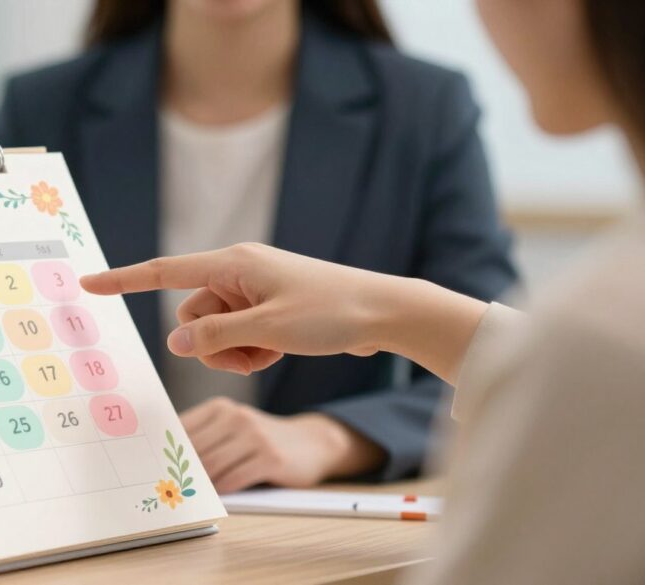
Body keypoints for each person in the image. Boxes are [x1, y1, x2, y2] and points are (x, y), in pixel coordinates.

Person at [82, 0, 645, 581]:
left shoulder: (598, 340)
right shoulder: (46, 104)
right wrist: (390, 313)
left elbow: (548, 367)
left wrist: (329, 435)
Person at [0, 0, 517, 491]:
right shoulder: (39, 107)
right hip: (97, 498)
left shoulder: (425, 107)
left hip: (310, 524)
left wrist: (329, 437)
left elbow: (488, 360)